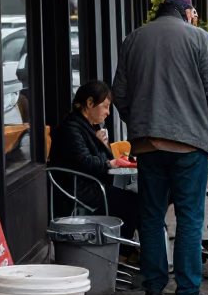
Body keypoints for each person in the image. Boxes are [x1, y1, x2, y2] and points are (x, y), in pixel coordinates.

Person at [113, 0, 208, 295]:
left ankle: (152, 290)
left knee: (151, 217)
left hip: (148, 144)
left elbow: (119, 93)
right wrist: (205, 122)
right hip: (189, 144)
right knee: (190, 218)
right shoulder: (199, 39)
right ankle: (188, 293)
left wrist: (139, 124)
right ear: (187, 11)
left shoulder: (134, 38)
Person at [48, 80, 140, 240]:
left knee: (140, 190)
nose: (108, 112)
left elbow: (100, 158)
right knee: (135, 198)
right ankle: (124, 247)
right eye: (105, 106)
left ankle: (133, 246)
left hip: (96, 185)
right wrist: (110, 163)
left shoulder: (88, 127)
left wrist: (102, 146)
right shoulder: (72, 129)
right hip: (85, 192)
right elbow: (84, 161)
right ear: (90, 103)